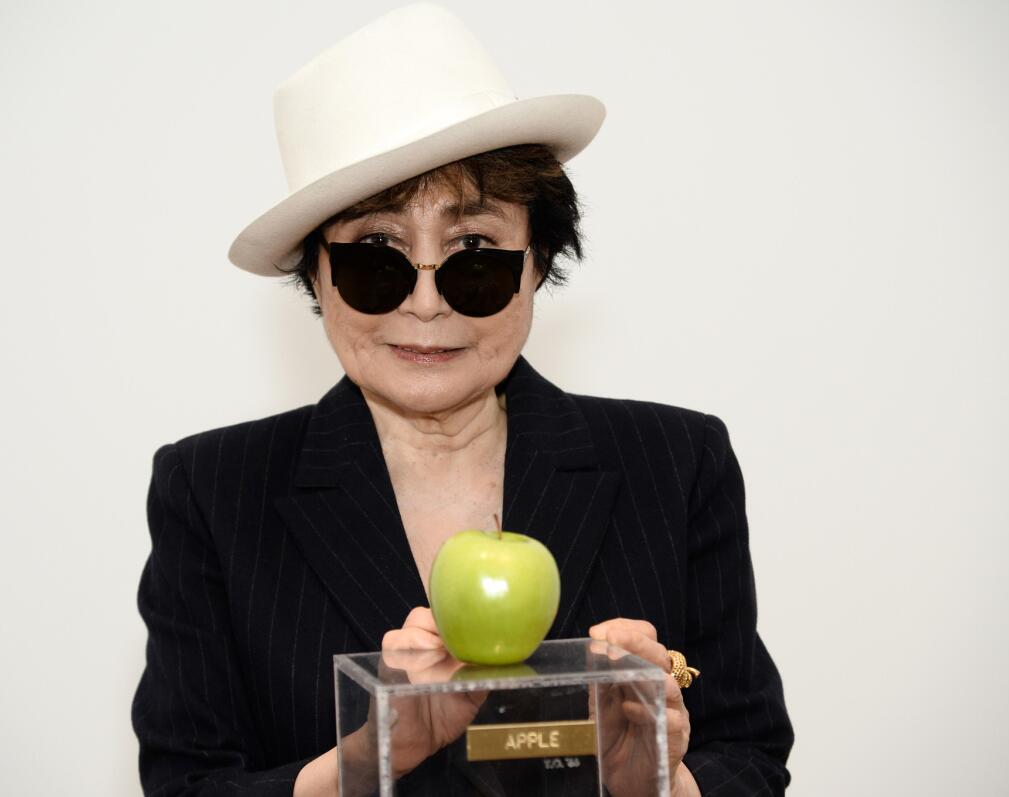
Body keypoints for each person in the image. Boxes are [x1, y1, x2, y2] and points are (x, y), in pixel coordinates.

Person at [131, 4, 793, 796]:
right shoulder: (212, 489)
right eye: (376, 258)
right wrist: (360, 762)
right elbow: (186, 784)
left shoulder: (677, 463)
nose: (425, 303)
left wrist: (656, 778)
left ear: (537, 264)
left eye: (473, 255)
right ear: (315, 275)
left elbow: (750, 758)